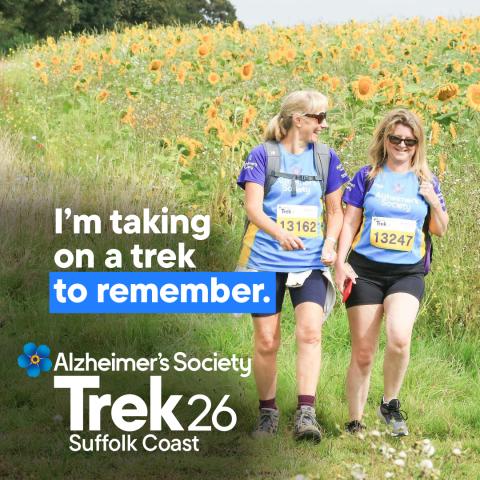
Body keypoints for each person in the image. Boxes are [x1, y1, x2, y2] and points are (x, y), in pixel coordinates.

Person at [236, 90, 349, 442]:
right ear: (298, 119)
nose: (324, 124)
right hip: (265, 261)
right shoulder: (263, 155)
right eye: (319, 117)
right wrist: (278, 232)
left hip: (310, 262)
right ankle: (267, 413)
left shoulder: (326, 158)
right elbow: (253, 208)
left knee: (311, 333)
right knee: (267, 340)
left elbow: (335, 211)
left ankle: (306, 414)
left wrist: (330, 243)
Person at [335, 108, 448, 436]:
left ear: (418, 144)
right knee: (364, 351)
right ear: (384, 139)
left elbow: (440, 229)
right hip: (366, 271)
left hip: (407, 273)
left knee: (399, 338)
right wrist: (341, 262)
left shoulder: (426, 181)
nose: (402, 145)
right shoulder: (367, 176)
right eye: (395, 138)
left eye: (409, 141)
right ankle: (355, 421)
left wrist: (434, 202)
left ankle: (390, 403)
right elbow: (350, 221)